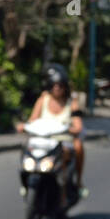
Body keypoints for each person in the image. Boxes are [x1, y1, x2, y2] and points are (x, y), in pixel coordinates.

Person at [23, 64, 85, 193]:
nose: (57, 88)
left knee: (77, 147)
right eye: (54, 85)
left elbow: (78, 124)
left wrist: (71, 129)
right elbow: (32, 120)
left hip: (63, 141)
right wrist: (23, 126)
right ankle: (25, 186)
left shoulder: (71, 102)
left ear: (65, 87)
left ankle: (74, 184)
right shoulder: (43, 100)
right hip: (44, 140)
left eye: (60, 85)